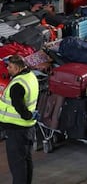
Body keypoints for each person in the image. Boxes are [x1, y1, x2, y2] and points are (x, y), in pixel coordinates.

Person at [0, 55, 39, 184]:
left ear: (17, 68)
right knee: (25, 161)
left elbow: (19, 107)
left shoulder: (17, 85)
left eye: (10, 66)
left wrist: (27, 115)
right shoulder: (30, 76)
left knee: (17, 166)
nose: (7, 68)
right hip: (28, 128)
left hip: (17, 130)